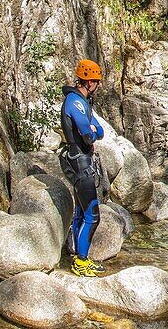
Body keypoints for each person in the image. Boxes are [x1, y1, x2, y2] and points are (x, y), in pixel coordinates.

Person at [59, 58, 106, 277]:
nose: (97, 85)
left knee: (80, 212)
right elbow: (89, 135)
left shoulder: (80, 102)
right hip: (80, 163)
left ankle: (80, 258)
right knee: (92, 215)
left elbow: (101, 131)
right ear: (89, 81)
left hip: (79, 160)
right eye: (96, 81)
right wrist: (93, 131)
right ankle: (81, 261)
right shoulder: (75, 102)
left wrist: (94, 130)